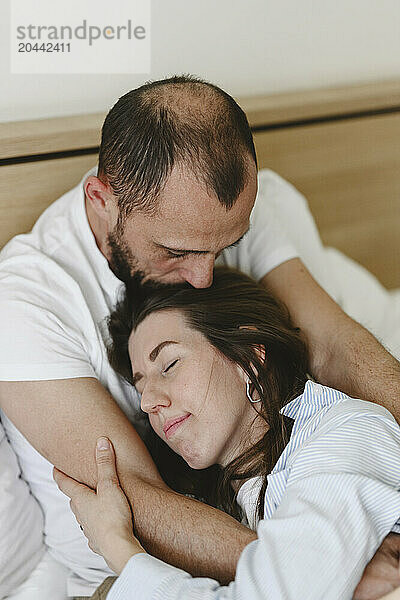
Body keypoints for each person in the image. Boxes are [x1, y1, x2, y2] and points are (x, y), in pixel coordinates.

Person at [0, 74, 400, 596]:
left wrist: (319, 559)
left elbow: (329, 345)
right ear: (101, 198)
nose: (205, 276)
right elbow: (132, 494)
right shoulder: (26, 302)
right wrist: (324, 563)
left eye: (228, 245)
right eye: (176, 251)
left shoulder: (244, 209)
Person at [54, 266, 400, 600]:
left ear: (250, 357)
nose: (149, 403)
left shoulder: (344, 434)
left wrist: (118, 547)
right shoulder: (221, 509)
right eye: (140, 386)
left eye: (170, 365)